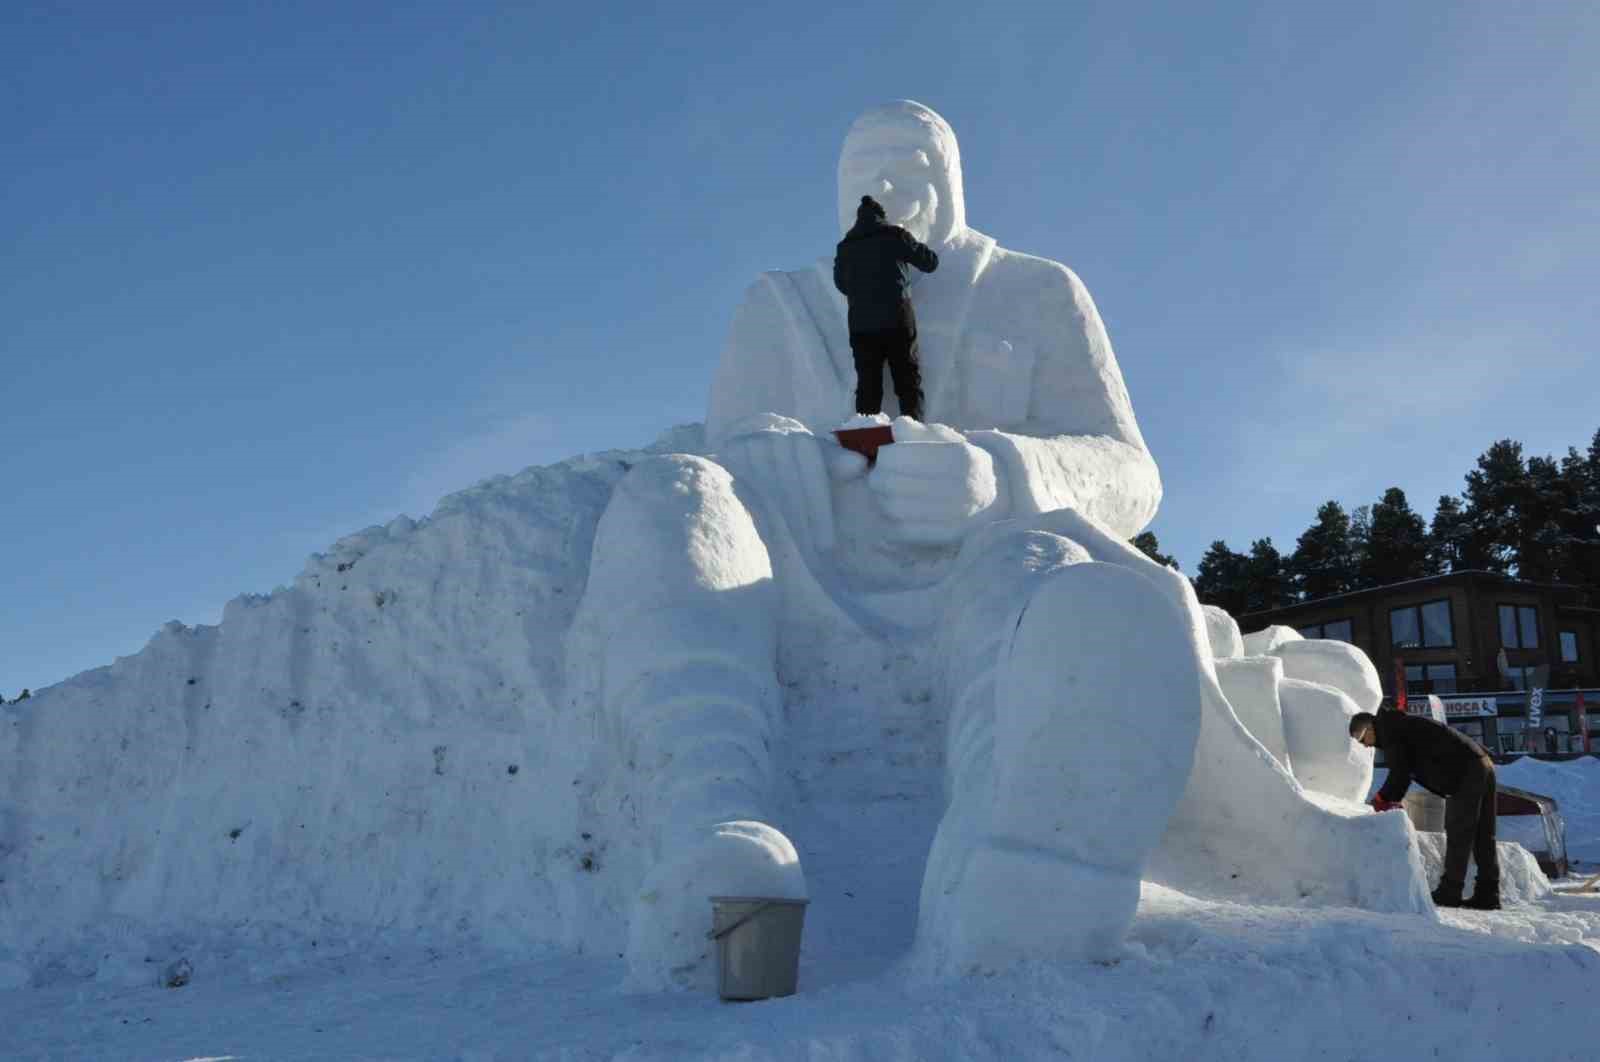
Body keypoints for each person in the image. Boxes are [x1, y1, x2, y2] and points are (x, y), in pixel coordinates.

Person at [1351, 709, 1500, 910]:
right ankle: (1488, 894)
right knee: (1483, 833)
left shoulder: (1391, 732)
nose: (1365, 745)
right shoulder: (1399, 725)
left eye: (1362, 739)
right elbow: (1405, 771)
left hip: (1467, 771)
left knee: (1459, 832)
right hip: (1482, 763)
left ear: (1369, 728)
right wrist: (1387, 798)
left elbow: (1400, 774)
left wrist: (1381, 800)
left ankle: (1450, 892)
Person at [832, 194, 939, 420]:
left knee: (868, 382)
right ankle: (912, 427)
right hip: (896, 316)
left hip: (861, 322)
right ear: (882, 216)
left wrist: (862, 292)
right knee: (907, 377)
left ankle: (865, 431)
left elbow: (840, 284)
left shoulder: (845, 246)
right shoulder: (894, 235)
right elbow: (929, 262)